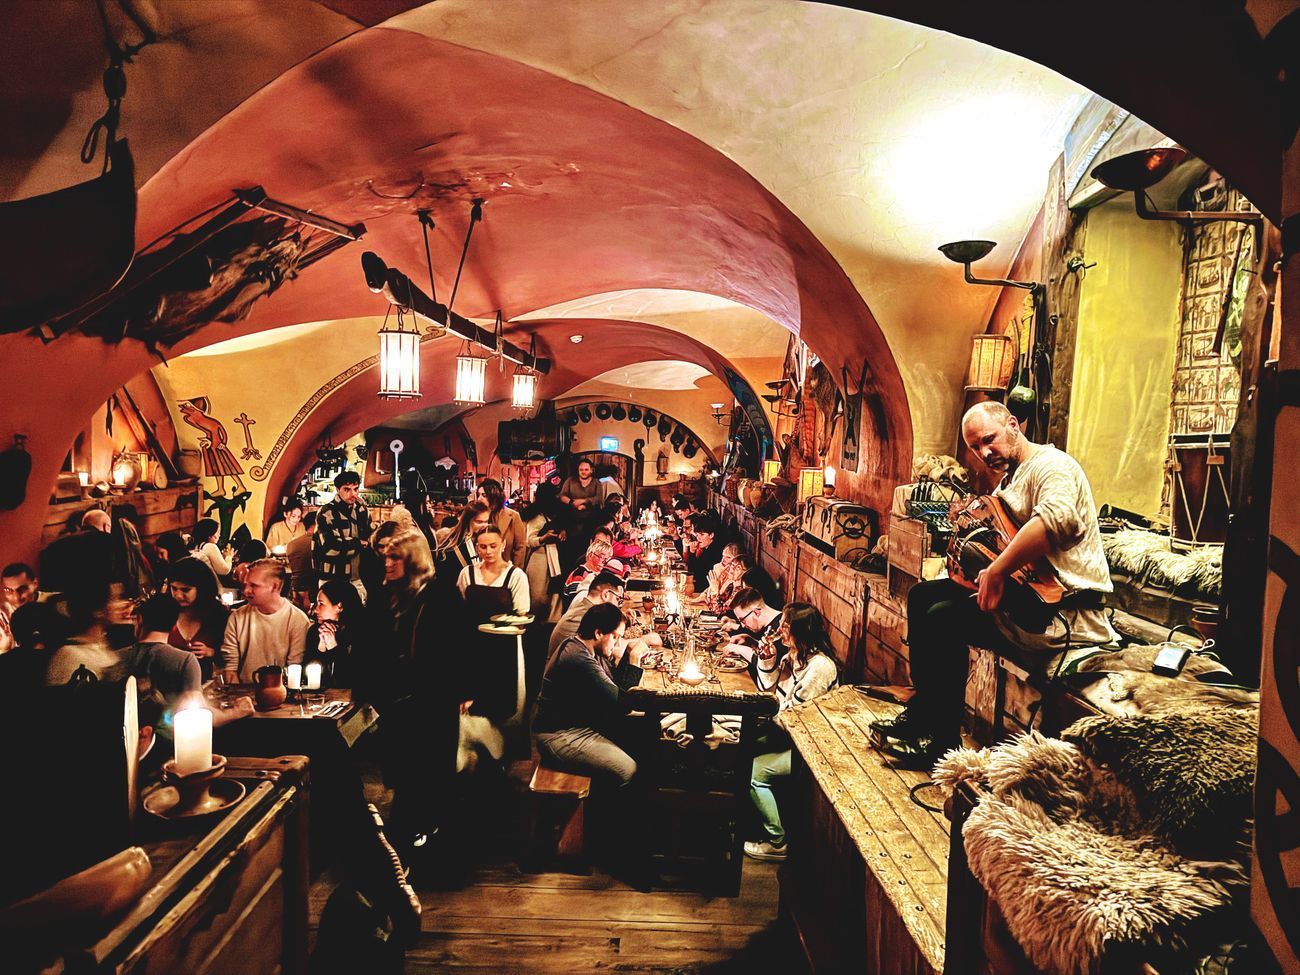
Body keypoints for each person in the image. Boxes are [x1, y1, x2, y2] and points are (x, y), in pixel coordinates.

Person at [871, 401, 1118, 768]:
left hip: (1060, 613)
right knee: (924, 595)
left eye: (990, 439)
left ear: (1013, 425)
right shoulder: (1010, 480)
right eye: (975, 447)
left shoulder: (1053, 466)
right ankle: (924, 717)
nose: (985, 452)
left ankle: (941, 744)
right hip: (1022, 600)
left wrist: (998, 570)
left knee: (943, 618)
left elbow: (1053, 523)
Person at [369, 528, 468, 860]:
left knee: (430, 774)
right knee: (406, 775)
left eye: (395, 556)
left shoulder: (441, 595)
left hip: (431, 701)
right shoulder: (388, 595)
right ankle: (407, 841)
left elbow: (458, 649)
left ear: (412, 560)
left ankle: (429, 848)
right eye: (386, 555)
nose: (387, 562)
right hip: (399, 702)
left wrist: (458, 691)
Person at [745, 603, 839, 861]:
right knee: (734, 746)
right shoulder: (793, 656)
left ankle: (778, 841)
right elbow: (768, 691)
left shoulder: (820, 668)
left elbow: (791, 718)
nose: (780, 629)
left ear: (801, 629)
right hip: (786, 736)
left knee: (754, 773)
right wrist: (767, 660)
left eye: (786, 625)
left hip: (811, 747)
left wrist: (765, 714)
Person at [533, 602, 644, 788]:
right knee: (627, 769)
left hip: (580, 725)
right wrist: (634, 661)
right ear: (599, 633)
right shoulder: (578, 658)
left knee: (639, 741)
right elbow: (624, 705)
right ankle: (603, 814)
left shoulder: (587, 647)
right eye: (615, 637)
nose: (617, 643)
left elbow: (616, 687)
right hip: (559, 735)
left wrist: (628, 654)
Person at [456, 525, 529, 731]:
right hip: (472, 646)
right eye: (483, 547)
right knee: (472, 704)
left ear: (503, 545)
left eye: (493, 546)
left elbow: (522, 615)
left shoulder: (516, 576)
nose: (488, 551)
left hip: (504, 648)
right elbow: (459, 608)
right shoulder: (467, 574)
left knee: (504, 701)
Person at [219, 560, 309, 683]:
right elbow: (231, 669)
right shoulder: (237, 617)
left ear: (275, 586)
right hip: (243, 693)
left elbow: (293, 669)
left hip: (281, 693)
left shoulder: (298, 620)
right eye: (246, 585)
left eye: (254, 586)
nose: (246, 591)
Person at [120, 594, 203, 707]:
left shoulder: (115, 658)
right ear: (174, 627)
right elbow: (196, 712)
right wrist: (232, 713)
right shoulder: (185, 661)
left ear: (140, 619)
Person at [164, 556, 230, 680]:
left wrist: (212, 652)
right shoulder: (165, 612)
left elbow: (233, 656)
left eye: (185, 590)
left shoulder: (219, 615)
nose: (178, 595)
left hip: (206, 685)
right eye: (174, 588)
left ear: (202, 588)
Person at [313, 471, 371, 601]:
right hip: (332, 578)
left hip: (357, 578)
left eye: (356, 489)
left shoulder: (361, 510)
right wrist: (359, 543)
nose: (353, 494)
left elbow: (369, 537)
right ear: (338, 490)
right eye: (347, 489)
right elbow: (331, 548)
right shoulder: (326, 512)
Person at [520, 483, 568, 620]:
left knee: (551, 594)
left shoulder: (552, 514)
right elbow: (529, 540)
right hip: (539, 558)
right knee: (538, 596)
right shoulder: (537, 517)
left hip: (553, 556)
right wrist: (543, 538)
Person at [305, 578, 366, 687]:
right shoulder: (315, 632)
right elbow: (308, 679)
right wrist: (321, 649)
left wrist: (334, 647)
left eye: (321, 604)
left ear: (340, 606)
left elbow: (351, 679)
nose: (315, 610)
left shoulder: (362, 633)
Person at [476, 478, 527, 568]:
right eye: (478, 495)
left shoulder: (513, 516)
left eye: (484, 495)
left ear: (494, 496)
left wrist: (514, 573)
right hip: (480, 570)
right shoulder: (475, 516)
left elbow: (520, 548)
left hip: (505, 570)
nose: (479, 499)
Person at [683, 513, 726, 591]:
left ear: (711, 535)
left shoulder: (715, 551)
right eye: (697, 534)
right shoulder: (707, 548)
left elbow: (696, 574)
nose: (698, 538)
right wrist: (692, 552)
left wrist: (692, 553)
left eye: (702, 535)